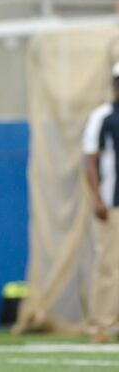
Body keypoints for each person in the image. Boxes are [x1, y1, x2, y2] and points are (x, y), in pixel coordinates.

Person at [83, 61, 119, 343]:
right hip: (112, 201)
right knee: (108, 264)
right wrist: (98, 198)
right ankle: (102, 324)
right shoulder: (103, 116)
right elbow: (90, 159)